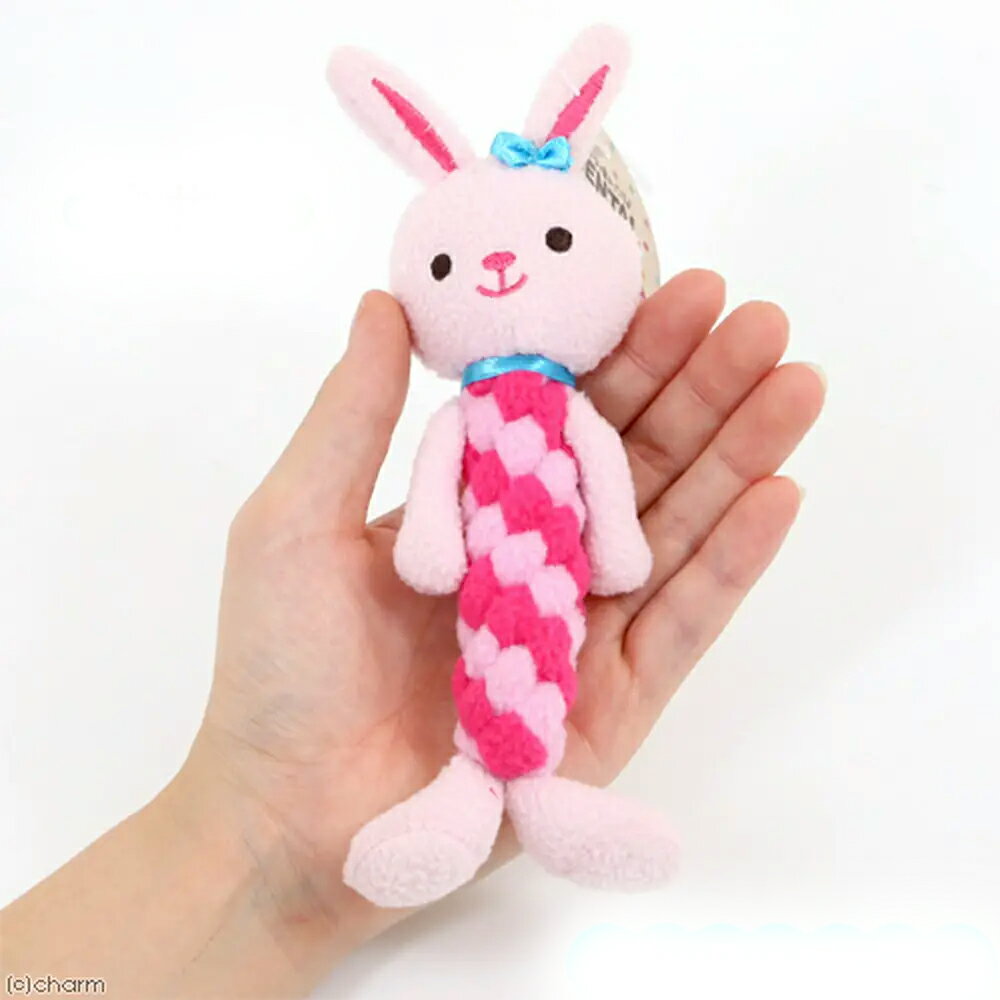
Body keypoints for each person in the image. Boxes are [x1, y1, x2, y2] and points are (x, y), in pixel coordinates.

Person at [1, 272, 825, 998]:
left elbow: (607, 483)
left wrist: (614, 546)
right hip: (492, 627)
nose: (500, 270)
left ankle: (524, 795)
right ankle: (491, 793)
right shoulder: (468, 420)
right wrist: (434, 541)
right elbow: (438, 494)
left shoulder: (568, 416)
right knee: (504, 683)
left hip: (540, 618)